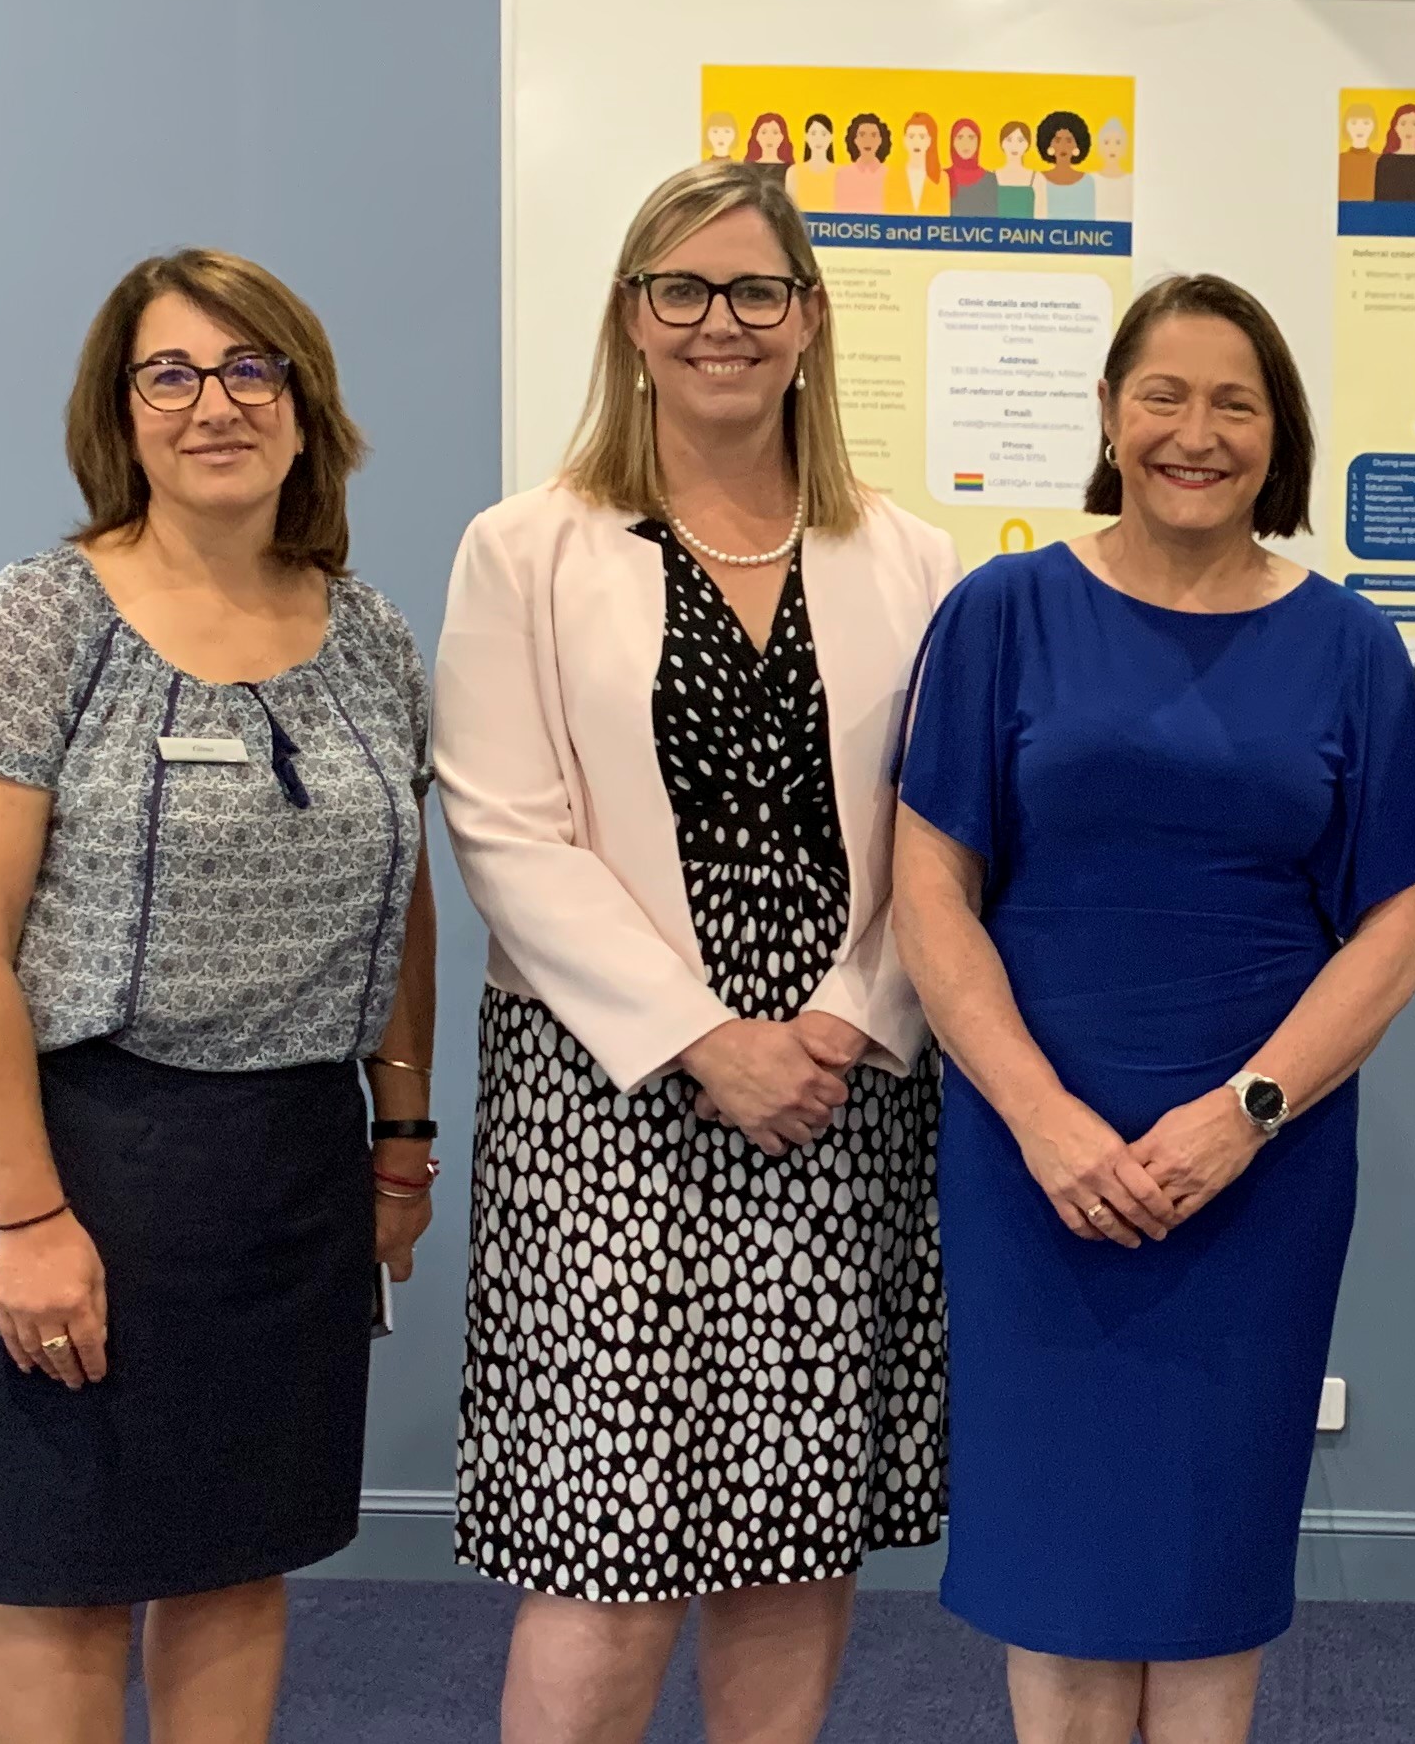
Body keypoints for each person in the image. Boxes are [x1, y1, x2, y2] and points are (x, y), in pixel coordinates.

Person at [892, 274, 1415, 1744]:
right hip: (1031, 1160)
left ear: (1278, 438)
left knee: (1210, 1562)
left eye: (1234, 402)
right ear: (1106, 413)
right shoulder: (999, 612)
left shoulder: (1345, 644)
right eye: (1163, 394)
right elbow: (930, 898)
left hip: (1255, 1175)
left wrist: (1243, 1116)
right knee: (1057, 1567)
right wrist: (1044, 1120)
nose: (1194, 432)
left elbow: (1395, 926)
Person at [434, 161, 960, 1744]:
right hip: (605, 1100)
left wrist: (851, 1024)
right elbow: (505, 828)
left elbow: (939, 844)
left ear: (808, 321)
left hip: (835, 1088)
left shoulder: (913, 560)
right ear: (630, 321)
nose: (718, 323)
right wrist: (698, 1037)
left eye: (754, 291)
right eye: (681, 289)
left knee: (793, 1535)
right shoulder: (524, 548)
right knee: (608, 1547)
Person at [0, 250, 438, 1744]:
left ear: (302, 401)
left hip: (287, 1162)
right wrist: (27, 1217)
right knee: (66, 1574)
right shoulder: (46, 615)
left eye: (249, 367)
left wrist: (400, 1133)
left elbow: (400, 900)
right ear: (121, 412)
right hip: (83, 1151)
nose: (214, 402)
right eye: (171, 373)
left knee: (234, 1555)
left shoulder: (372, 634)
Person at [1374, 103, 1415, 205]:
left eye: (1414, 124)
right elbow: (1380, 201)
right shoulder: (1385, 162)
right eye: (1403, 123)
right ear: (1395, 127)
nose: (1408, 129)